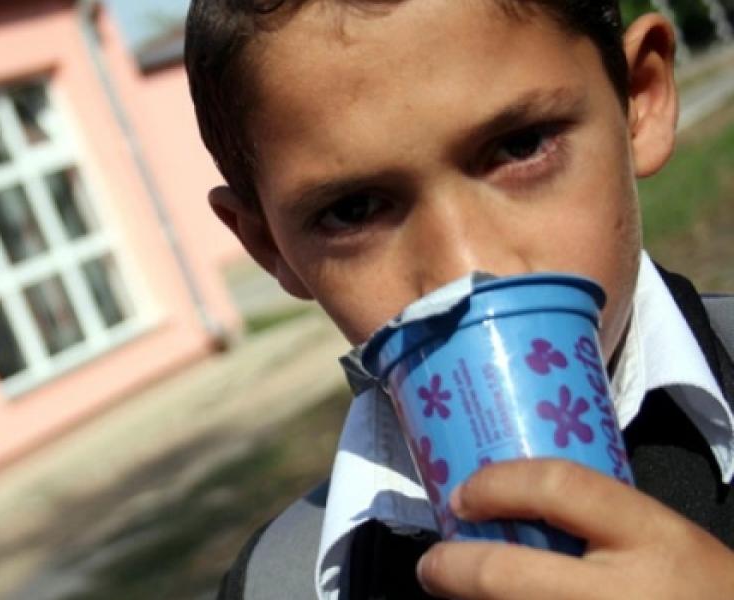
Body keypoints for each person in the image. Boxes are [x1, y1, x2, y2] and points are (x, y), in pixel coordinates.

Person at [182, 0, 734, 598]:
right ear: (271, 248)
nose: (464, 275)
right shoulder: (279, 583)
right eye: (354, 210)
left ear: (639, 100)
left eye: (521, 146)